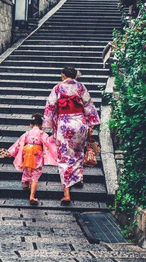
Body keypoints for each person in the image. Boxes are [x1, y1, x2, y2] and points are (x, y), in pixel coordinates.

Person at [43, 66, 100, 205]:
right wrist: (91, 123)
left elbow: (50, 106)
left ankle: (66, 193)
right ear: (75, 76)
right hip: (79, 122)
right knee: (78, 152)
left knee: (64, 156)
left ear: (63, 75)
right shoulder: (81, 87)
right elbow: (88, 105)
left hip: (64, 123)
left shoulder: (58, 88)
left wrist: (49, 124)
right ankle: (78, 177)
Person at [5, 112, 58, 205]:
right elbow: (48, 142)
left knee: (27, 169)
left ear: (31, 125)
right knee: (35, 175)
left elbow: (18, 144)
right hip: (36, 155)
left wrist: (11, 153)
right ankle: (32, 196)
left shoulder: (27, 133)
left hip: (27, 154)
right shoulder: (42, 134)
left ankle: (25, 183)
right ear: (41, 125)